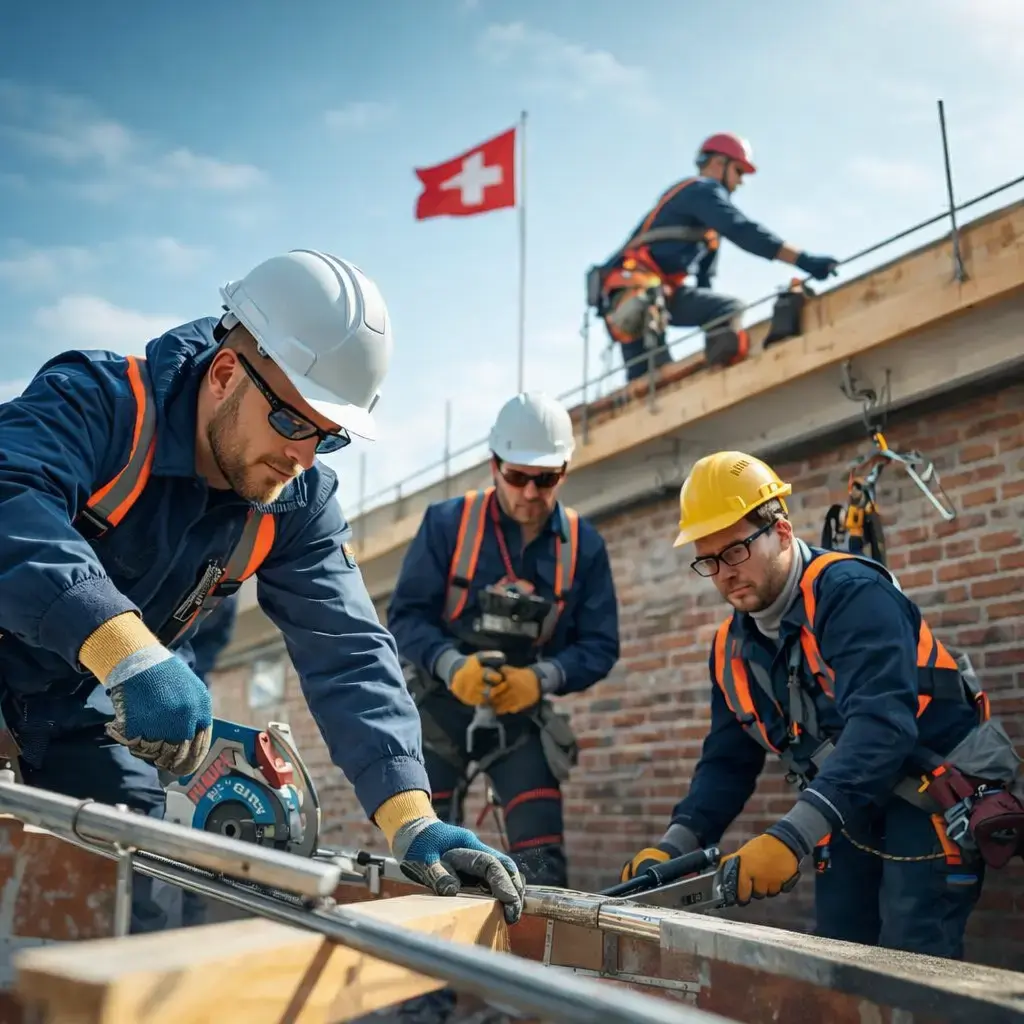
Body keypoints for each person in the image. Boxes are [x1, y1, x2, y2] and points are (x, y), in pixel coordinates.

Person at [0, 248, 524, 934]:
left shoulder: (294, 502)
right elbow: (10, 497)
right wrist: (128, 651)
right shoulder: (99, 404)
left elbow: (349, 652)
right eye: (291, 421)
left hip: (72, 711)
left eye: (327, 437)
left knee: (133, 895)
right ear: (224, 374)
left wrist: (412, 819)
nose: (302, 455)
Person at [621, 451, 1022, 960]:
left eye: (736, 550)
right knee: (839, 955)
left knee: (914, 966)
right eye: (709, 559)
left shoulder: (852, 594)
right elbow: (727, 762)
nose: (723, 573)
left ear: (782, 532)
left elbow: (883, 725)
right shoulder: (729, 649)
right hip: (847, 805)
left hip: (931, 796)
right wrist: (675, 846)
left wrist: (791, 837)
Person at [386, 392, 619, 1023]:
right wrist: (449, 665)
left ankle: (535, 1001)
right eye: (518, 477)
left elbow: (602, 646)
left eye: (546, 479)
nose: (530, 492)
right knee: (426, 849)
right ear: (494, 466)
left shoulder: (583, 547)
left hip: (521, 716)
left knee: (542, 861)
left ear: (564, 473)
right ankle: (421, 997)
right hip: (442, 706)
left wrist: (542, 677)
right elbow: (404, 616)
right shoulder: (447, 525)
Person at [589, 132, 839, 383]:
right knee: (654, 372)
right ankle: (712, 380)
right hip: (636, 295)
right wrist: (804, 260)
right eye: (739, 172)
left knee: (651, 376)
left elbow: (704, 283)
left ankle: (711, 376)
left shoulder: (708, 231)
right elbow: (743, 231)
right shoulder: (701, 190)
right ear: (719, 163)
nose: (740, 182)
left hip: (649, 297)